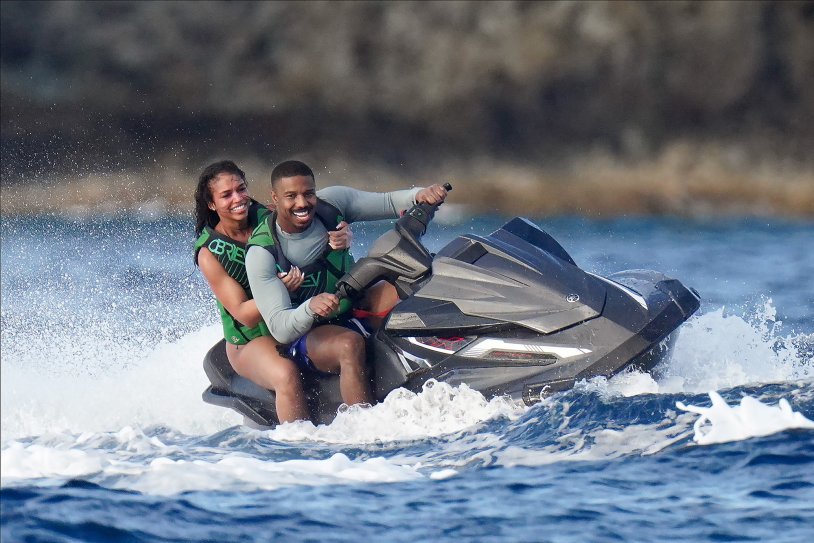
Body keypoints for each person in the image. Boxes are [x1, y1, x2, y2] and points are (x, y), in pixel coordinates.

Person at [245, 159, 448, 408]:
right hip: (307, 334)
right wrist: (310, 307)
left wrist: (420, 194)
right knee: (349, 344)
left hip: (351, 303)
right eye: (291, 196)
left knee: (424, 281)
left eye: (308, 194)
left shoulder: (332, 203)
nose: (302, 203)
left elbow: (388, 202)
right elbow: (281, 328)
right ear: (275, 199)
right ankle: (363, 426)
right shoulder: (261, 254)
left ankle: (448, 376)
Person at [193, 160, 353, 423]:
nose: (238, 199)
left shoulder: (269, 215)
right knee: (286, 374)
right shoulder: (210, 253)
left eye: (241, 189)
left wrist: (343, 236)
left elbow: (315, 220)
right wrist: (277, 288)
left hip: (294, 318)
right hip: (251, 339)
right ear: (212, 204)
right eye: (226, 195)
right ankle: (297, 446)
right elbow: (244, 314)